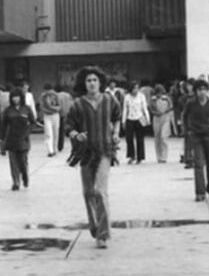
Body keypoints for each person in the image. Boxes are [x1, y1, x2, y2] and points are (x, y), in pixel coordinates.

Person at [65, 66, 121, 248]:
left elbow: (117, 117)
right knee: (88, 192)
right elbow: (68, 126)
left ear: (100, 82)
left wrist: (116, 133)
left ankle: (103, 234)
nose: (92, 83)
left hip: (104, 151)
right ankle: (95, 227)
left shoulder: (109, 100)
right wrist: (75, 135)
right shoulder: (78, 104)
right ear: (84, 83)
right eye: (88, 80)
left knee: (100, 191)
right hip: (85, 154)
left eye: (95, 80)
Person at [182, 79, 209, 201]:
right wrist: (187, 130)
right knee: (198, 164)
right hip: (196, 136)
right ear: (195, 91)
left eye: (204, 89)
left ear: (207, 90)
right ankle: (200, 192)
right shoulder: (191, 103)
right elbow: (184, 116)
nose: (202, 92)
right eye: (199, 90)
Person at [0, 87, 36, 191]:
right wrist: (1, 139)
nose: (15, 99)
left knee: (23, 161)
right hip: (11, 138)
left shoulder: (27, 108)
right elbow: (3, 125)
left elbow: (33, 123)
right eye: (13, 97)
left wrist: (27, 132)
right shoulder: (8, 110)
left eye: (17, 97)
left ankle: (25, 176)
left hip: (23, 138)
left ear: (21, 97)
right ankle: (15, 182)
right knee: (13, 162)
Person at [121, 80, 150, 165]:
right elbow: (125, 109)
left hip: (139, 118)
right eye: (134, 88)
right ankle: (131, 156)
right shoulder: (127, 97)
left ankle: (140, 157)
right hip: (130, 118)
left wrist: (147, 118)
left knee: (140, 139)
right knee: (129, 138)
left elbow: (144, 108)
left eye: (137, 88)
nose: (136, 90)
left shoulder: (141, 96)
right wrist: (123, 121)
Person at [150, 84, 175, 163]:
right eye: (157, 93)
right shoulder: (153, 99)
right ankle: (159, 156)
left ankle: (164, 156)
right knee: (157, 138)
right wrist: (157, 113)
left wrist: (165, 111)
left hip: (165, 118)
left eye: (160, 93)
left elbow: (171, 106)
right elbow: (151, 109)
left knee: (163, 137)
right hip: (156, 119)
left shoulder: (166, 98)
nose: (159, 95)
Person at [39, 82, 61, 157]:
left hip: (55, 116)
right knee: (48, 133)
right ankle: (50, 151)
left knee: (56, 133)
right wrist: (52, 109)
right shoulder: (43, 96)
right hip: (47, 116)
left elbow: (59, 106)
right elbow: (42, 107)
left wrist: (54, 109)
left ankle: (55, 149)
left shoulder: (56, 95)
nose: (48, 92)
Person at [56, 84, 73, 153]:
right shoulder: (68, 95)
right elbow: (71, 103)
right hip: (68, 114)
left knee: (60, 131)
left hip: (60, 114)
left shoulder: (57, 95)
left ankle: (60, 146)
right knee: (67, 129)